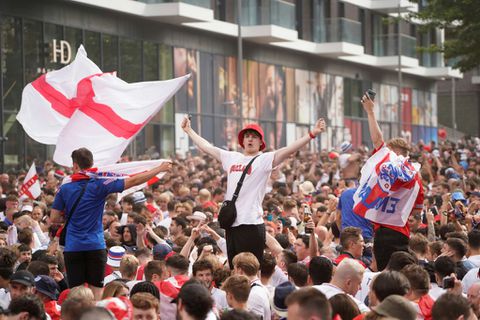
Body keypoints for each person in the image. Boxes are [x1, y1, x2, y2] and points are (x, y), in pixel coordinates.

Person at [181, 115, 326, 267]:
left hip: (251, 224)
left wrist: (312, 134)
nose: (250, 139)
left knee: (250, 269)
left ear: (261, 142)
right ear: (242, 141)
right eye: (247, 136)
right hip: (231, 224)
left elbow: (288, 150)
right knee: (234, 268)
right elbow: (207, 147)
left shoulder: (264, 159)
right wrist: (189, 131)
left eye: (254, 137)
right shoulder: (232, 157)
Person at [51, 147, 172, 300]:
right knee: (97, 291)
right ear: (92, 164)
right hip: (95, 245)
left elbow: (54, 217)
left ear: (75, 165)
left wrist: (70, 218)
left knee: (76, 293)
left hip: (73, 246)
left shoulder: (65, 188)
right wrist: (159, 169)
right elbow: (134, 180)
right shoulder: (100, 184)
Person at [361, 93, 424, 271]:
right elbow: (417, 218)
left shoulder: (389, 167)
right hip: (401, 234)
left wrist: (370, 112)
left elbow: (377, 141)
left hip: (384, 233)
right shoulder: (417, 178)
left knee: (385, 279)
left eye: (391, 153)